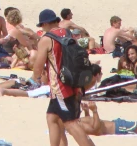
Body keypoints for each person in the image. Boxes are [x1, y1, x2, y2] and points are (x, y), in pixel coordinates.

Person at [33, 9, 96, 146]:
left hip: (61, 88)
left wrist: (35, 78)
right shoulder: (67, 33)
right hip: (74, 83)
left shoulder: (46, 39)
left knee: (70, 123)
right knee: (52, 118)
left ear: (44, 24)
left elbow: (38, 66)